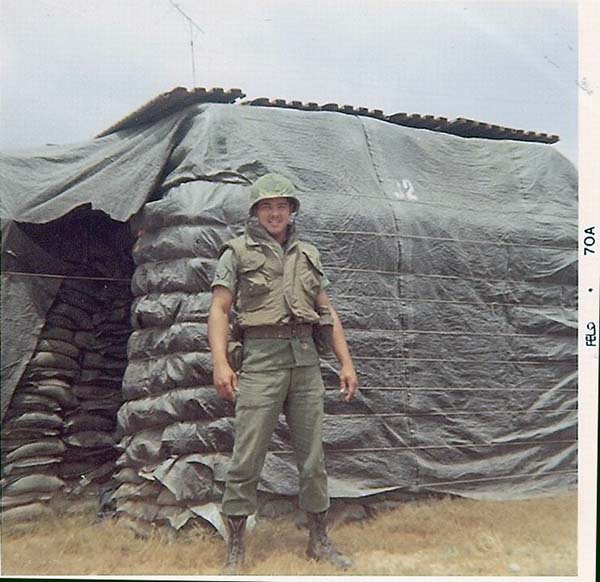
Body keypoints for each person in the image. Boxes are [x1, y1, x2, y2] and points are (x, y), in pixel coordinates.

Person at [208, 173, 358, 574]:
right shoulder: (236, 252)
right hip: (260, 358)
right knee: (247, 456)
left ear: (292, 211)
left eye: (281, 206)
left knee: (312, 458)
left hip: (305, 359)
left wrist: (345, 361)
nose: (275, 213)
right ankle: (236, 548)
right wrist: (220, 362)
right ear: (255, 212)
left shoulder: (308, 254)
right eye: (266, 207)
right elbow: (220, 309)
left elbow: (327, 311)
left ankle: (318, 540)